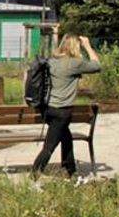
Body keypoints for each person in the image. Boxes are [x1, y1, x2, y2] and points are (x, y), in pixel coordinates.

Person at [32, 34, 101, 178]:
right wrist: (87, 45)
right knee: (49, 146)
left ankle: (71, 171)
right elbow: (97, 66)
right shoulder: (74, 63)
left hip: (47, 109)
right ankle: (34, 175)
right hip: (62, 111)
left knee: (66, 138)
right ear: (75, 46)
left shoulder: (51, 61)